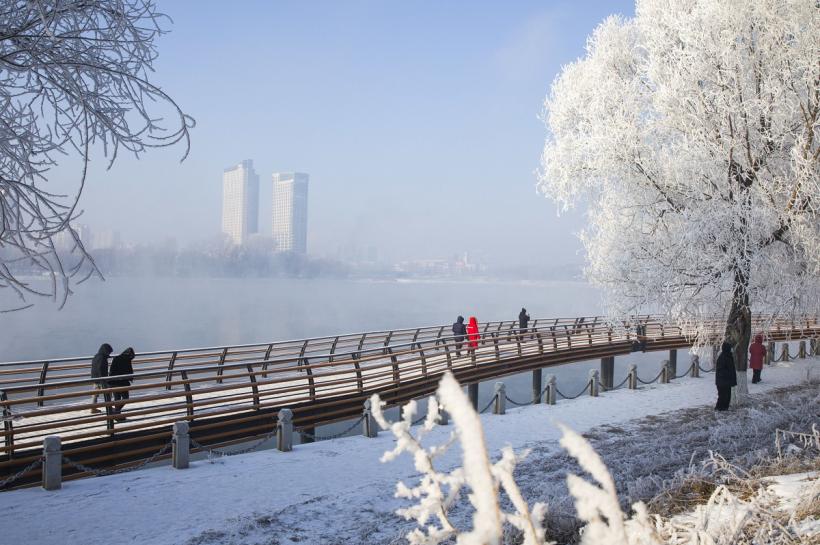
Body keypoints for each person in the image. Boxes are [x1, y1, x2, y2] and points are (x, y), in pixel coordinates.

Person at [108, 347, 136, 420]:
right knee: (125, 398)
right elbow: (129, 371)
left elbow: (111, 370)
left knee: (117, 399)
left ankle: (117, 414)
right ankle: (116, 412)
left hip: (113, 382)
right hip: (122, 382)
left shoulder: (116, 358)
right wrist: (131, 378)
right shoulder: (127, 360)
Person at [90, 343, 113, 414]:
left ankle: (93, 408)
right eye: (109, 352)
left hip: (94, 377)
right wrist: (103, 379)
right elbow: (100, 368)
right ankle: (109, 406)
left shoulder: (96, 356)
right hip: (101, 378)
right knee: (108, 392)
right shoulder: (102, 358)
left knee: (95, 394)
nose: (109, 354)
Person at [714, 341, 736, 411]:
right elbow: (720, 370)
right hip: (722, 381)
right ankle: (719, 408)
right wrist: (729, 374)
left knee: (727, 396)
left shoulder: (728, 356)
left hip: (726, 381)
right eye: (730, 348)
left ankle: (725, 408)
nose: (731, 349)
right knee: (722, 396)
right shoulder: (723, 357)